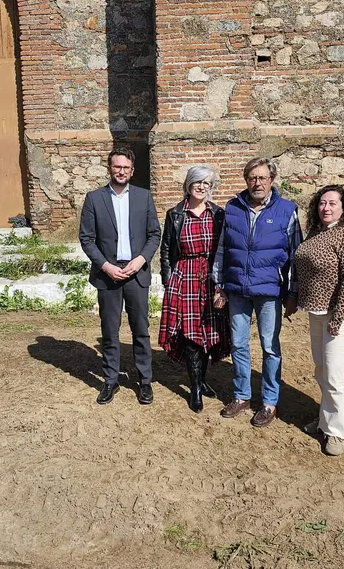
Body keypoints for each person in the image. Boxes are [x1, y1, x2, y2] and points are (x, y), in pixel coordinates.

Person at [213, 157, 301, 428]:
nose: (257, 182)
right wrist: (220, 285)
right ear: (246, 180)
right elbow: (222, 250)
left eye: (263, 177)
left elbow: (296, 255)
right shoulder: (233, 207)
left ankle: (269, 402)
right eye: (252, 178)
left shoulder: (287, 210)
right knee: (239, 344)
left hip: (270, 291)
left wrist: (293, 292)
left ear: (272, 180)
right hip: (237, 289)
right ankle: (241, 396)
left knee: (269, 347)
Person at [78, 147, 162, 406]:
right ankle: (110, 381)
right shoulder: (94, 199)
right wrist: (105, 266)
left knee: (141, 330)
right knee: (109, 332)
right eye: (117, 167)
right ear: (109, 168)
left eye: (126, 167)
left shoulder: (144, 197)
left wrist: (140, 260)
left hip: (136, 274)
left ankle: (144, 382)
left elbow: (154, 234)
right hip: (108, 275)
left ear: (132, 170)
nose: (121, 171)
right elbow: (87, 238)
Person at [292, 185, 344, 457]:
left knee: (335, 372)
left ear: (343, 207)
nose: (326, 208)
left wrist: (340, 315)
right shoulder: (315, 232)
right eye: (323, 203)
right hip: (317, 309)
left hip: (341, 312)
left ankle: (337, 432)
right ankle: (326, 421)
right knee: (322, 369)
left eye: (333, 203)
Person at [158, 166, 231, 413]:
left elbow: (226, 248)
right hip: (185, 277)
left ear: (211, 187)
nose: (201, 187)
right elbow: (166, 249)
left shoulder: (219, 214)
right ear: (188, 185)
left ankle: (201, 379)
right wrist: (168, 280)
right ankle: (196, 389)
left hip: (211, 277)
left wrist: (223, 283)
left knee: (209, 333)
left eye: (206, 183)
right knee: (190, 335)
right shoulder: (176, 214)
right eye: (197, 182)